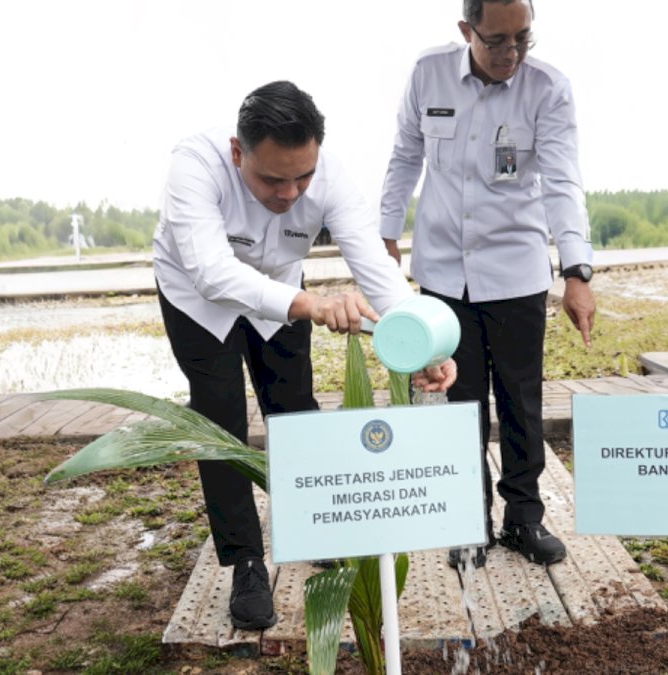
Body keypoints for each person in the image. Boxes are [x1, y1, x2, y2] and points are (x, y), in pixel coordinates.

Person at [153, 80, 456, 629]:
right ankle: (245, 560)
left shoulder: (331, 178)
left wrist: (423, 341)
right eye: (273, 179)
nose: (291, 193)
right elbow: (210, 271)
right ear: (238, 151)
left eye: (303, 177)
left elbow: (376, 272)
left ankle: (316, 526)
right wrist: (311, 305)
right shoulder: (193, 166)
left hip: (282, 292)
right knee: (220, 420)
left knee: (294, 405)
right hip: (197, 299)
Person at [379, 0, 596, 569]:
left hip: (515, 271)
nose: (512, 54)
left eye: (523, 38)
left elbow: (563, 181)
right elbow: (405, 156)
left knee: (521, 402)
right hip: (444, 273)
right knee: (460, 400)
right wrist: (385, 232)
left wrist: (576, 270)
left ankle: (523, 516)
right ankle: (468, 520)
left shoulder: (548, 88)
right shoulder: (429, 73)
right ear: (466, 30)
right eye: (497, 41)